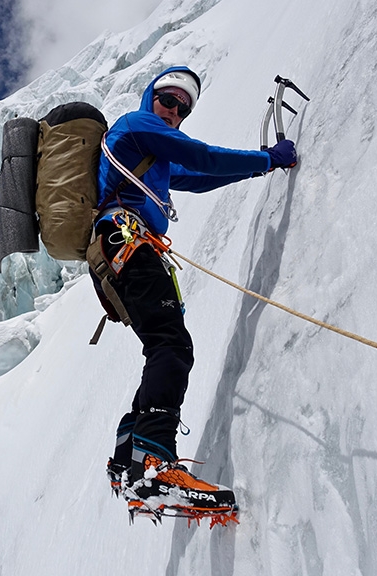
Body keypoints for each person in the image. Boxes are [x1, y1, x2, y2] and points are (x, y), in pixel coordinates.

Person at [94, 66, 297, 516]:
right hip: (128, 243)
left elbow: (200, 175)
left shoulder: (151, 155)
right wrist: (269, 160)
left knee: (163, 343)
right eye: (168, 99)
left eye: (183, 107)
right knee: (171, 344)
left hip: (124, 248)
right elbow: (202, 157)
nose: (174, 111)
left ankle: (133, 461)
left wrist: (258, 166)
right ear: (151, 98)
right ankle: (153, 465)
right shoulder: (135, 125)